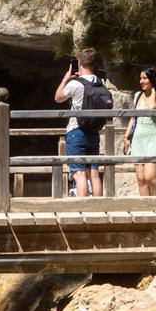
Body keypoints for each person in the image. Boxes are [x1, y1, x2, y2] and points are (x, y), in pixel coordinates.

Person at [54, 48, 111, 198]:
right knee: (93, 174)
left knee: (79, 175)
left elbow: (58, 97)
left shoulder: (75, 84)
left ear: (79, 63)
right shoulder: (100, 83)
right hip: (94, 132)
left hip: (76, 132)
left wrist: (66, 78)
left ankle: (83, 210)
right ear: (94, 64)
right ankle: (98, 210)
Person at [122, 68, 156, 196]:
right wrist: (126, 137)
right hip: (138, 139)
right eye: (141, 78)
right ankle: (146, 210)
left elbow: (153, 108)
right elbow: (133, 117)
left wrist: (153, 93)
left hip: (154, 138)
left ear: (152, 80)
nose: (141, 81)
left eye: (145, 78)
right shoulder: (137, 96)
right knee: (141, 179)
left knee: (150, 178)